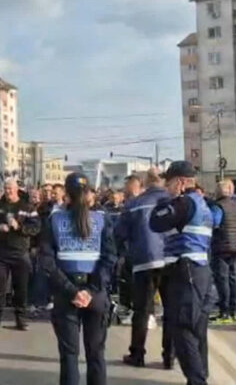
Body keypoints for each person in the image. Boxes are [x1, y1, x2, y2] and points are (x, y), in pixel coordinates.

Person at [39, 173, 117, 385]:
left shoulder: (54, 220)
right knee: (96, 354)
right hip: (96, 294)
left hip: (66, 293)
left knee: (69, 356)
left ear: (66, 194)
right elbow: (110, 258)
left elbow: (47, 262)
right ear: (89, 193)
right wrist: (91, 291)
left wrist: (73, 291)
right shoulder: (101, 219)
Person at [149, 161, 213, 385]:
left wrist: (165, 203)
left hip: (185, 269)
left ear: (180, 182)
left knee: (182, 327)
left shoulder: (184, 203)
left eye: (168, 183)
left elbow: (155, 222)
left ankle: (197, 381)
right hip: (200, 269)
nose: (166, 188)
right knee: (197, 329)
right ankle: (201, 375)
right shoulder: (203, 204)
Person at [117, 168, 173, 369]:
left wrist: (128, 252)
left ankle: (137, 354)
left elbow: (120, 233)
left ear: (145, 182)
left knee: (141, 311)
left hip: (143, 261)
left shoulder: (134, 204)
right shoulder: (173, 201)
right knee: (170, 310)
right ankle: (170, 356)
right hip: (170, 260)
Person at [0, 178, 39, 332]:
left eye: (11, 188)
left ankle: (21, 319)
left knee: (21, 287)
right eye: (6, 188)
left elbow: (35, 228)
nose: (8, 191)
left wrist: (19, 227)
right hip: (0, 253)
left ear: (17, 189)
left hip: (20, 251)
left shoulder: (27, 207)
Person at [210, 180, 236, 324]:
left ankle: (224, 312)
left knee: (222, 279)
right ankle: (233, 310)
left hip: (221, 246)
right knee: (232, 278)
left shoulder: (218, 206)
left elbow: (214, 223)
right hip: (235, 246)